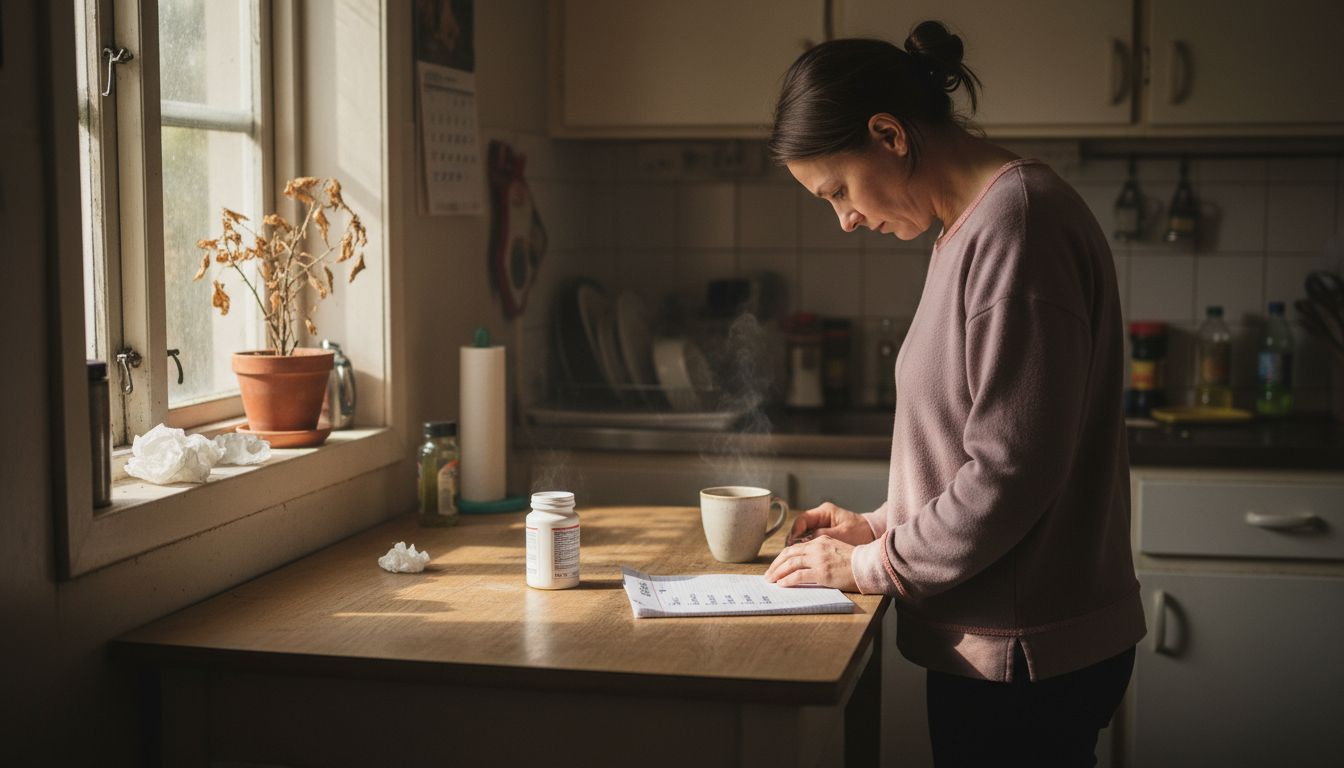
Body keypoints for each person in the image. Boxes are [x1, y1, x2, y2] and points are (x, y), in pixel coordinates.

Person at [762, 22, 1146, 767]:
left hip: (1027, 658)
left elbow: (1011, 472)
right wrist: (881, 524)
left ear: (888, 134)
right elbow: (976, 449)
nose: (844, 219)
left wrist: (870, 567)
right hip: (1003, 645)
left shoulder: (1017, 225)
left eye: (837, 189)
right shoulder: (967, 230)